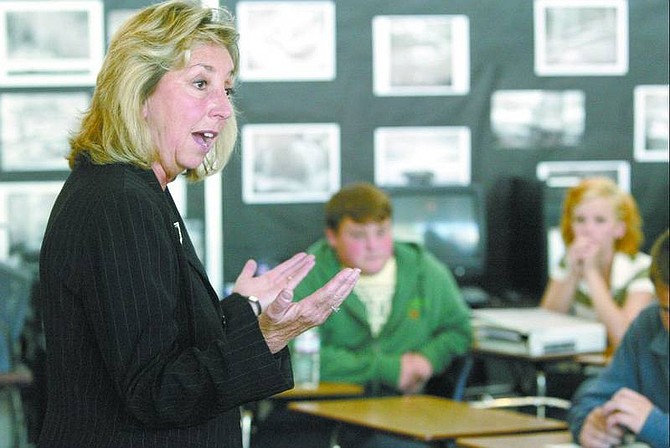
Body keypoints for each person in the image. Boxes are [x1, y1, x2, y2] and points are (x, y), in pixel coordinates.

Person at [36, 2, 360, 447]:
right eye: (201, 83)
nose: (224, 108)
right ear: (139, 91)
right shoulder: (120, 203)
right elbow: (156, 391)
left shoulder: (133, 191)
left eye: (227, 89)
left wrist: (243, 310)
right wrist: (270, 335)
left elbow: (155, 344)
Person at [252, 182, 471, 448]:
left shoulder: (426, 269)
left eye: (382, 232)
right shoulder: (307, 275)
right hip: (318, 411)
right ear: (332, 237)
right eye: (358, 235)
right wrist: (389, 369)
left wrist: (428, 359)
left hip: (404, 411)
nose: (373, 245)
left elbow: (459, 331)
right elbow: (294, 355)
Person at [568, 229, 669, 448]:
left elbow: (653, 426)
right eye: (667, 310)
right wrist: (590, 423)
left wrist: (655, 425)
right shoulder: (649, 326)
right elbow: (596, 395)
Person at [540, 177, 655, 347]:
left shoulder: (643, 268)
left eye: (599, 220)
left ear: (619, 229)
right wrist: (572, 274)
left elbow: (625, 340)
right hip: (581, 367)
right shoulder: (567, 262)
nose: (588, 229)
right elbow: (543, 330)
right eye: (580, 220)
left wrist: (591, 273)